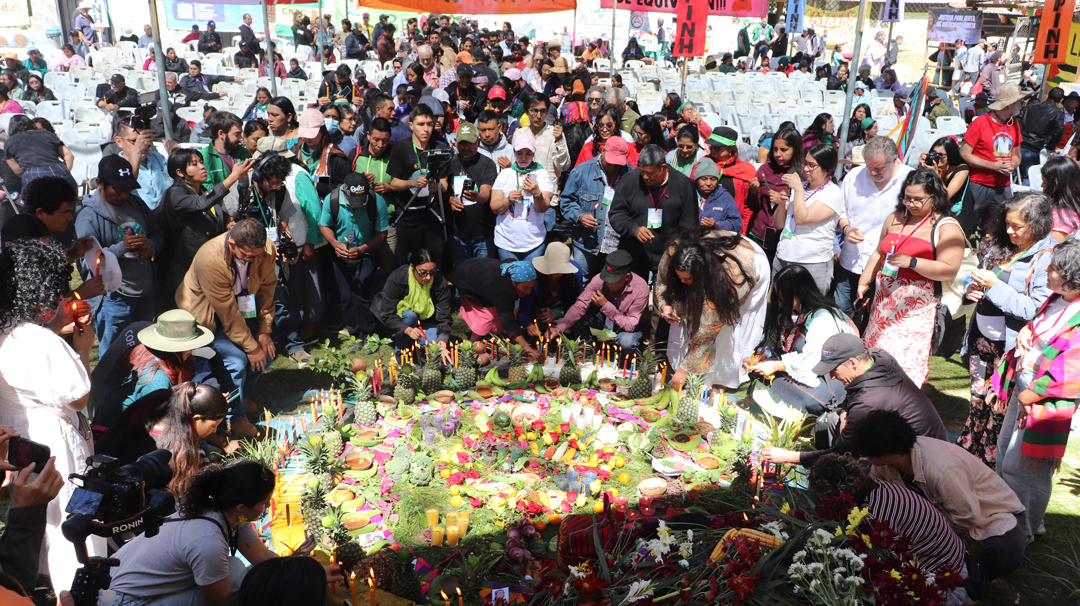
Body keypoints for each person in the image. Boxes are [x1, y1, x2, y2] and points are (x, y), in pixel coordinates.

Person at [0, 239, 106, 594]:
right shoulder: (41, 341)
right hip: (57, 444)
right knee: (74, 523)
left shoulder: (8, 330)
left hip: (23, 440)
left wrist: (56, 328)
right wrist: (83, 349)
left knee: (41, 521)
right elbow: (77, 397)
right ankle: (76, 594)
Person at [853, 410, 1026, 601]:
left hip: (990, 512)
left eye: (865, 454)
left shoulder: (940, 469)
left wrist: (929, 530)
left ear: (886, 455)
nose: (863, 457)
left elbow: (968, 516)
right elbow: (880, 496)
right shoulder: (885, 464)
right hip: (941, 518)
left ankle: (971, 578)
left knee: (1005, 555)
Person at [103, 460, 325, 606]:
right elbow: (223, 602)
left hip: (116, 583)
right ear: (242, 507)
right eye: (265, 502)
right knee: (243, 594)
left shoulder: (226, 511)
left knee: (235, 568)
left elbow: (263, 558)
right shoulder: (208, 541)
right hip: (119, 600)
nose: (268, 506)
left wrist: (307, 576)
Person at [956, 194, 1056, 469]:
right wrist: (971, 290)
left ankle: (986, 465)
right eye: (1007, 223)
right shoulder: (1001, 244)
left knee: (997, 408)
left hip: (1009, 349)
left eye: (1017, 226)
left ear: (1037, 224)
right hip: (982, 339)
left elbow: (1034, 309)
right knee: (977, 401)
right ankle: (965, 455)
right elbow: (977, 279)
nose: (1010, 231)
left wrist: (994, 286)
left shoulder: (1048, 257)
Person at [991, 238, 1080, 543]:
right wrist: (1026, 330)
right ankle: (1018, 520)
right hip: (1027, 388)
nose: (1047, 271)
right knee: (1006, 450)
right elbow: (1039, 325)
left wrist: (1031, 395)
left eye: (1054, 268)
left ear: (1071, 278)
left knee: (1024, 467)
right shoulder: (1057, 298)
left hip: (1046, 399)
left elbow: (1070, 371)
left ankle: (1022, 531)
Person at [763, 333, 948, 467]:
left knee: (843, 462)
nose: (832, 377)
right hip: (934, 444)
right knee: (835, 418)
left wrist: (788, 456)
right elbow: (853, 393)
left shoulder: (868, 401)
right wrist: (846, 412)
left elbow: (842, 452)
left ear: (852, 362)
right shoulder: (879, 357)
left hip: (920, 463)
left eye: (833, 370)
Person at [858, 168, 965, 385]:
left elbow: (949, 268)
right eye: (907, 198)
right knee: (874, 354)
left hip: (915, 307)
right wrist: (864, 281)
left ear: (934, 198)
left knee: (901, 360)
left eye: (918, 199)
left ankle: (901, 400)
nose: (911, 204)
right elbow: (879, 252)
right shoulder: (895, 218)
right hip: (883, 303)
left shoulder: (946, 226)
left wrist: (913, 262)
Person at [175, 219, 276, 438]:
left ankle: (240, 395)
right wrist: (252, 347)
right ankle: (235, 417)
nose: (256, 260)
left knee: (266, 354)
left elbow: (267, 289)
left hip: (240, 309)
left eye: (258, 255)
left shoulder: (266, 249)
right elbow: (227, 313)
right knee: (236, 361)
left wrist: (264, 330)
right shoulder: (209, 259)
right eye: (248, 256)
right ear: (232, 244)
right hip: (206, 317)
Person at [807, 452, 967, 580]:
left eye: (824, 499)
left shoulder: (872, 516)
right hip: (950, 558)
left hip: (943, 576)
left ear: (837, 496)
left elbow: (881, 564)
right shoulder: (876, 487)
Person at [657, 226, 769, 391]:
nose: (682, 282)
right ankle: (683, 365)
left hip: (750, 265)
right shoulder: (675, 252)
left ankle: (722, 379)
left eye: (687, 279)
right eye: (679, 277)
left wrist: (683, 371)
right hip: (721, 250)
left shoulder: (733, 279)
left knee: (728, 327)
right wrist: (665, 305)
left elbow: (708, 331)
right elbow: (662, 281)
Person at [75, 155, 163, 354]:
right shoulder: (88, 216)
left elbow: (157, 233)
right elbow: (90, 260)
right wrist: (122, 247)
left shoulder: (137, 204)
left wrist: (151, 245)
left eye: (128, 189)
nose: (124, 194)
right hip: (114, 297)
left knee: (145, 350)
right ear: (100, 183)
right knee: (113, 353)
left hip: (145, 290)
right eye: (118, 189)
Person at [745, 265, 854, 417]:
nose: (781, 300)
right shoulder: (792, 311)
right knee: (759, 371)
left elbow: (812, 361)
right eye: (779, 296)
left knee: (808, 399)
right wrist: (759, 356)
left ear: (800, 292)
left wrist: (775, 365)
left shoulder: (822, 318)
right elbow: (773, 340)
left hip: (826, 375)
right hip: (799, 367)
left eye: (784, 296)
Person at [158, 148, 252, 304]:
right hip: (186, 268)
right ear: (180, 172)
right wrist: (233, 177)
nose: (202, 166)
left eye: (201, 162)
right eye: (194, 164)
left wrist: (227, 224)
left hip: (209, 263)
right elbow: (200, 204)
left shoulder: (202, 190)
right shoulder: (174, 193)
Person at [835, 136, 914, 319]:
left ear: (894, 160)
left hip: (888, 266)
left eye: (879, 168)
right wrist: (846, 228)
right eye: (869, 166)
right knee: (842, 315)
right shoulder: (853, 176)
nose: (872, 172)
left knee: (880, 318)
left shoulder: (910, 179)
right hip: (851, 260)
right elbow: (840, 210)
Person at [608, 144, 698, 279]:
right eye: (642, 171)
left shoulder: (684, 185)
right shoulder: (629, 180)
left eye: (650, 173)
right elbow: (616, 214)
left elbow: (690, 225)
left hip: (669, 257)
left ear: (663, 167)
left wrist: (677, 247)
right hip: (634, 256)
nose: (645, 177)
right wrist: (634, 229)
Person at [319, 172, 388, 340]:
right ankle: (355, 333)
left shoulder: (377, 202)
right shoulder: (332, 199)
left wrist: (363, 248)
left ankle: (369, 333)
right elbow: (324, 226)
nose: (357, 205)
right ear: (344, 191)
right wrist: (335, 244)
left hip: (367, 254)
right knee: (346, 297)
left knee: (361, 294)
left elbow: (382, 234)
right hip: (340, 255)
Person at [772, 144, 843, 294]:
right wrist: (782, 203)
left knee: (810, 306)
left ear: (826, 167)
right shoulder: (801, 187)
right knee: (781, 305)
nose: (806, 169)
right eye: (805, 163)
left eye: (812, 165)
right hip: (783, 256)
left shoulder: (833, 193)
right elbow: (779, 224)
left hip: (812, 262)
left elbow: (802, 219)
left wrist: (797, 189)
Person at [387, 103, 450, 267]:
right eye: (421, 124)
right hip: (408, 216)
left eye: (429, 124)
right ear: (411, 125)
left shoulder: (438, 148)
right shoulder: (401, 148)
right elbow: (394, 184)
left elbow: (444, 182)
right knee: (406, 265)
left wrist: (438, 187)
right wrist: (412, 182)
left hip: (433, 217)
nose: (426, 129)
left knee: (434, 264)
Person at [961, 83, 1026, 230]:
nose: (1022, 105)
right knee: (968, 226)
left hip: (1003, 186)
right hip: (979, 184)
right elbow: (964, 153)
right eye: (1020, 102)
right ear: (1009, 104)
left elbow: (1017, 156)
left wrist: (1013, 164)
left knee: (997, 229)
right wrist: (994, 166)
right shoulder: (980, 123)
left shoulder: (1014, 125)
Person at [451, 258, 540, 359]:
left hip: (478, 271)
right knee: (487, 317)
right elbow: (507, 318)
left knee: (499, 312)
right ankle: (469, 349)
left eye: (531, 288)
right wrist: (528, 349)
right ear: (514, 283)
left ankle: (494, 341)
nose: (528, 292)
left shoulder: (514, 271)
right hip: (466, 278)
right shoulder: (502, 288)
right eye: (525, 288)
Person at [371, 249, 452, 355]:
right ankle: (401, 352)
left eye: (432, 272)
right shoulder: (397, 278)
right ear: (412, 267)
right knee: (410, 315)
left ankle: (425, 349)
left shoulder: (439, 281)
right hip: (402, 318)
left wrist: (442, 342)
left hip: (427, 321)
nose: (428, 277)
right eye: (422, 273)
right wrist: (407, 329)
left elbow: (444, 318)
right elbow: (387, 314)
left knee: (433, 342)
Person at [446, 122, 499, 265]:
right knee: (461, 275)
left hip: (483, 235)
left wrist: (478, 197)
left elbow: (486, 193)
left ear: (478, 142)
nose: (466, 147)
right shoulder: (449, 164)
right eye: (462, 143)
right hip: (457, 235)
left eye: (470, 143)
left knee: (484, 274)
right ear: (455, 142)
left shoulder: (487, 164)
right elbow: (443, 190)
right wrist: (450, 199)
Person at [747, 125, 803, 261]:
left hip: (787, 240)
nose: (778, 154)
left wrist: (783, 202)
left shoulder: (802, 174)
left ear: (795, 150)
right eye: (775, 149)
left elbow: (805, 210)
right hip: (759, 234)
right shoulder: (764, 169)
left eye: (784, 150)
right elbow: (754, 206)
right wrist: (753, 192)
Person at [2, 114, 75, 194]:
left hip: (32, 177)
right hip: (59, 171)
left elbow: (18, 171)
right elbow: (68, 155)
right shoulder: (47, 134)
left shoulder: (9, 143)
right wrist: (64, 171)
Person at [920, 136, 975, 237]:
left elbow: (946, 195)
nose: (937, 157)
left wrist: (935, 174)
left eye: (941, 155)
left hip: (957, 214)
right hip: (938, 211)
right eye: (934, 153)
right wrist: (921, 168)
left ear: (951, 154)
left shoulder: (962, 169)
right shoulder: (934, 167)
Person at [1017, 87, 1065, 186]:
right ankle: (1026, 195)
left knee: (1012, 173)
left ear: (1047, 96)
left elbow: (1017, 120)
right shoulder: (1057, 113)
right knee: (1029, 176)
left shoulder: (1030, 107)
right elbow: (1059, 131)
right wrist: (1050, 147)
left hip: (1019, 145)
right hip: (1034, 148)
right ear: (1061, 100)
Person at [693, 158, 741, 234]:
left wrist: (716, 225)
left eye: (713, 179)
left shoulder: (725, 197)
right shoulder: (689, 194)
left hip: (717, 239)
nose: (708, 183)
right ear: (696, 180)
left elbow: (736, 224)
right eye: (704, 179)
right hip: (691, 238)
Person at [1041, 156, 1080, 242]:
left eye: (1045, 182)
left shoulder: (1061, 216)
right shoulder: (1075, 205)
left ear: (1056, 185)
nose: (1041, 185)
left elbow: (1052, 246)